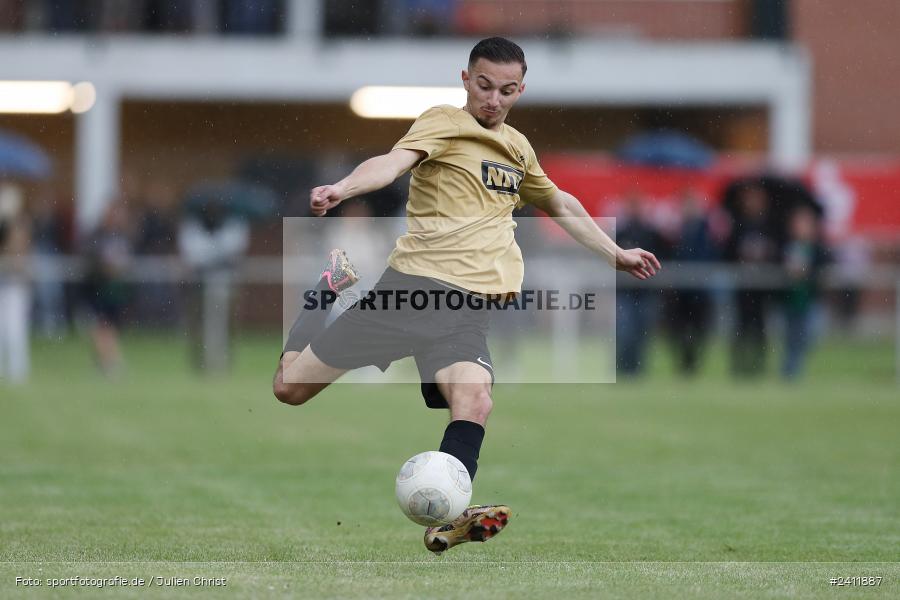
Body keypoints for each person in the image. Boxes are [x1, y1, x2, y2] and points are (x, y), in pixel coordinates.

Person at [272, 37, 660, 554]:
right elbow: (390, 163)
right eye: (483, 86)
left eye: (506, 90)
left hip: (465, 312)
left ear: (521, 90)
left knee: (475, 400)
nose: (493, 99)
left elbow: (559, 202)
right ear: (465, 80)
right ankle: (324, 292)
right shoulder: (442, 121)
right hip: (410, 294)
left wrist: (614, 253)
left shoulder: (518, 147)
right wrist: (342, 189)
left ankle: (447, 517)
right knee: (289, 388)